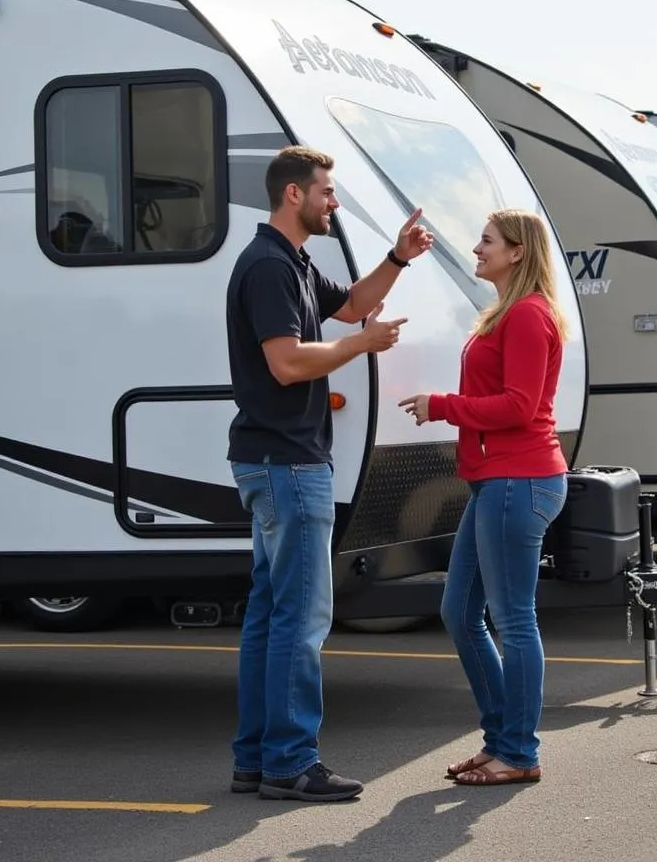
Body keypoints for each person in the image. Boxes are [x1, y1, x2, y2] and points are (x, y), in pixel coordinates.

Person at [226, 145, 433, 803]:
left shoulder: (291, 262)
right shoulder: (266, 267)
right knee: (300, 618)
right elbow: (287, 363)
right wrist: (359, 348)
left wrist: (398, 259)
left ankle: (257, 760)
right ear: (294, 195)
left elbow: (351, 308)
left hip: (273, 463)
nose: (334, 203)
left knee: (271, 613)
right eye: (327, 192)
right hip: (287, 465)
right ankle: (290, 762)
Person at [398, 208, 569, 787]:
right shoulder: (507, 313)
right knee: (458, 611)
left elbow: (520, 406)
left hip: (518, 481)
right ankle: (502, 740)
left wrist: (442, 404)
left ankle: (518, 752)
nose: (476, 248)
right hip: (497, 483)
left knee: (513, 621)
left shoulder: (526, 315)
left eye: (488, 241)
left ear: (517, 252)